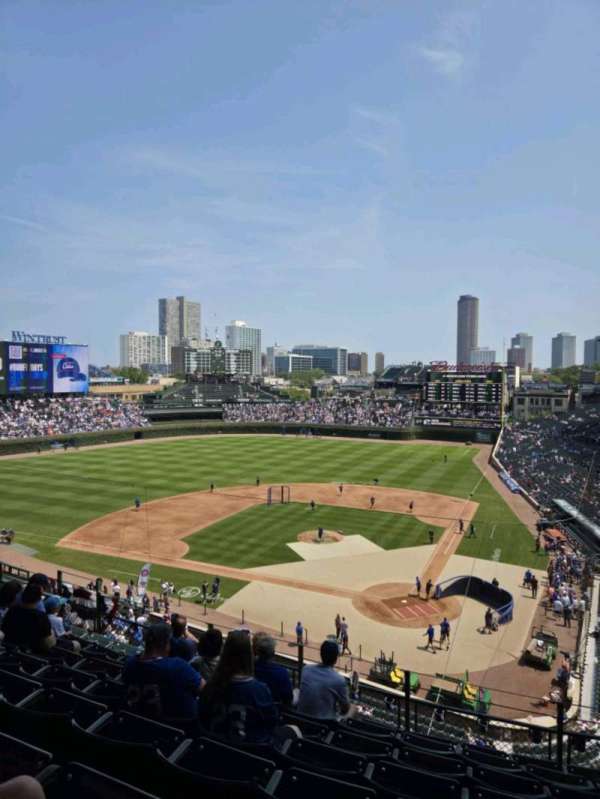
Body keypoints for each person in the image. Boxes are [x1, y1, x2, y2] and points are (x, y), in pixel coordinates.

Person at [199, 630, 279, 743]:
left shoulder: (210, 686)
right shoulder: (259, 690)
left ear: (224, 652)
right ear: (249, 655)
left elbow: (202, 717)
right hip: (252, 755)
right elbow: (272, 723)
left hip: (215, 750)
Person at [123, 622, 202, 722]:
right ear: (165, 643)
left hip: (135, 722)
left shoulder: (129, 663)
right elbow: (205, 690)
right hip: (175, 731)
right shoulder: (178, 666)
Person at [297, 639, 351, 720]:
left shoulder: (306, 669)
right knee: (353, 709)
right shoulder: (339, 680)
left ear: (321, 654)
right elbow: (345, 710)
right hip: (323, 727)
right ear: (336, 658)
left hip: (301, 719)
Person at [1, 583, 55, 654]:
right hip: (32, 656)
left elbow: (4, 629)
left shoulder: (12, 610)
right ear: (38, 599)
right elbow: (48, 644)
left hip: (9, 650)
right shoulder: (41, 617)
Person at [253, 632, 293, 706]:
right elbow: (288, 699)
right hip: (275, 712)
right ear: (273, 652)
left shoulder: (249, 667)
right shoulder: (282, 672)